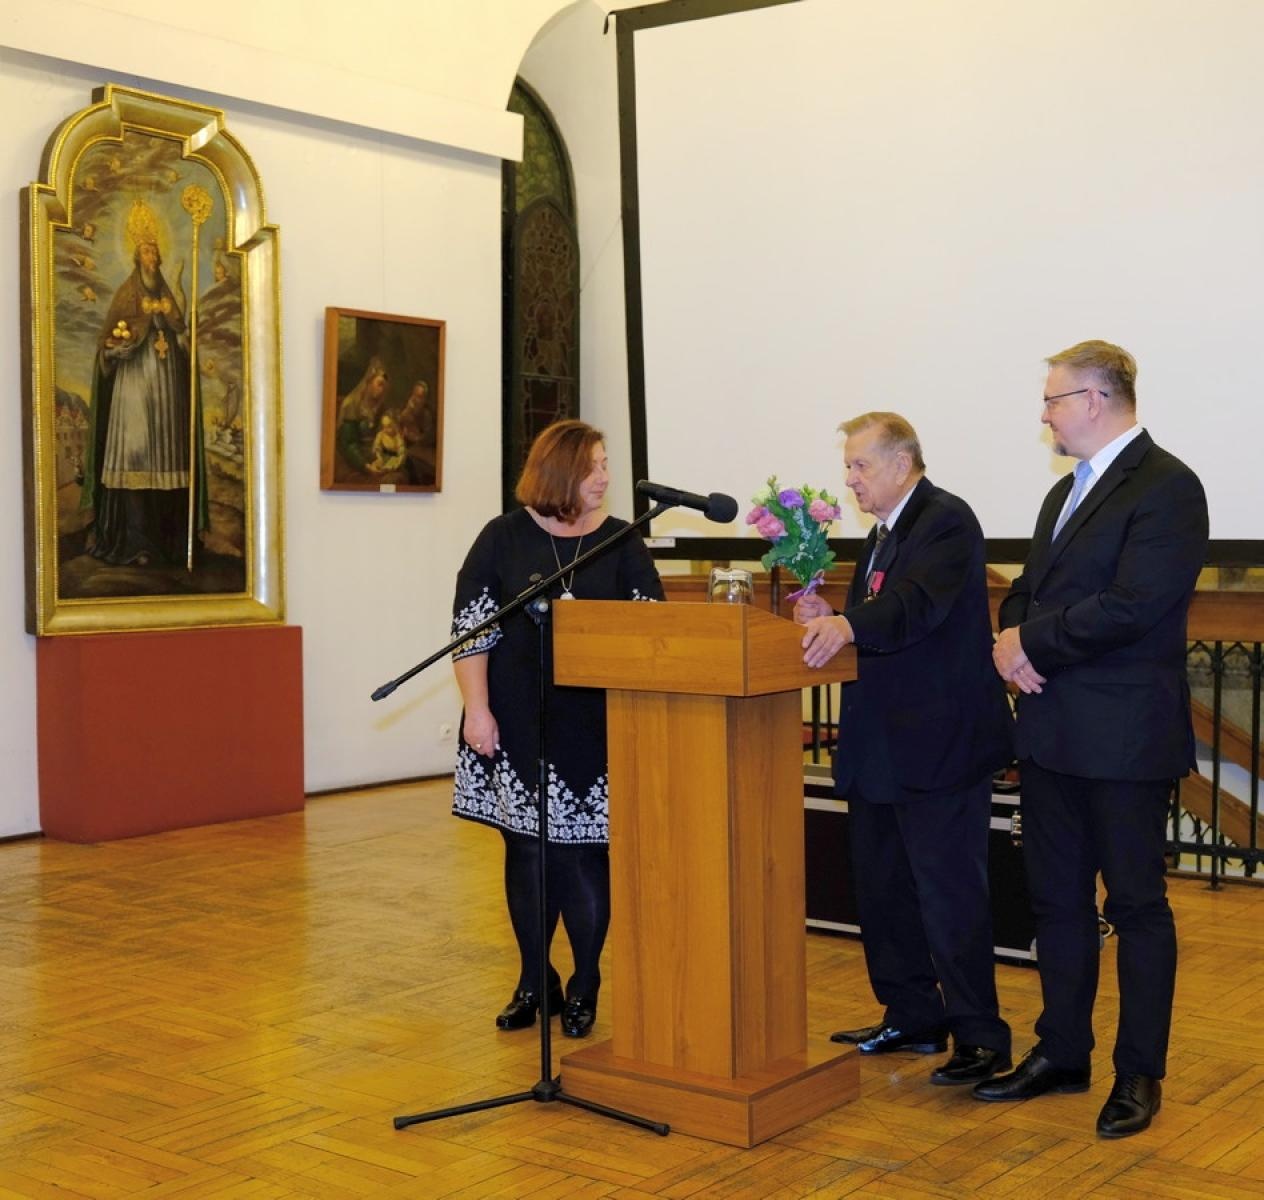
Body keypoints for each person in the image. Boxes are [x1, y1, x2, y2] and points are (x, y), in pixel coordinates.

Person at [978, 341, 1208, 1138]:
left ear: (1097, 399)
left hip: (1124, 739)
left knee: (1137, 907)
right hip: (1050, 734)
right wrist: (1012, 639)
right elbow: (1029, 591)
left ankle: (1138, 1074)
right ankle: (1062, 1052)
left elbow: (1135, 605)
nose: (1043, 413)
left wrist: (1030, 645)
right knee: (1056, 902)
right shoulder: (1062, 495)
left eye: (1052, 399)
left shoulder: (1169, 487)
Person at [794, 412, 1014, 1085]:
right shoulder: (883, 536)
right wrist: (829, 621)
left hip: (939, 748)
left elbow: (915, 607)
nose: (850, 479)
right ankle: (913, 1015)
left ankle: (980, 1035)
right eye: (849, 467)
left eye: (860, 465)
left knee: (949, 896)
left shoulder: (945, 520)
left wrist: (847, 623)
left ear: (901, 461)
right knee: (883, 890)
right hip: (882, 749)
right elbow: (878, 622)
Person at [450, 419, 663, 1038]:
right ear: (561, 470)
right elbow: (472, 631)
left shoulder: (623, 541)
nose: (605, 477)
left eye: (605, 465)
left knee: (585, 858)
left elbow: (652, 633)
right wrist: (476, 708)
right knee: (528, 852)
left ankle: (586, 979)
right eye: (595, 465)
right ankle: (532, 978)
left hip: (596, 726)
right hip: (515, 720)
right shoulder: (502, 538)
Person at [81, 199, 200, 566]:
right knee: (134, 453)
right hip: (134, 387)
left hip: (165, 389)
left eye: (154, 250)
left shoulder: (168, 294)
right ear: (136, 256)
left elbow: (181, 335)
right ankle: (133, 542)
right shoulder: (126, 293)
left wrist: (186, 331)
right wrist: (117, 350)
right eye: (145, 250)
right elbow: (107, 343)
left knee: (165, 457)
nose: (151, 255)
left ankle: (165, 541)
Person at [335, 357, 389, 480]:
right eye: (379, 384)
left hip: (373, 456)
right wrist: (366, 466)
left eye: (384, 387)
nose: (382, 390)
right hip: (353, 459)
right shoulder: (351, 404)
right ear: (369, 382)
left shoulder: (380, 407)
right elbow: (348, 443)